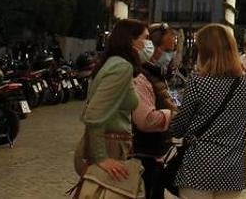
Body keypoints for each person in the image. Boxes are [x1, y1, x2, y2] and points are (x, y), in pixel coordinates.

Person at [170, 24, 246, 199]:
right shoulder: (244, 84)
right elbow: (244, 122)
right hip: (232, 170)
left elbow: (179, 127)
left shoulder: (198, 82)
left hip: (199, 167)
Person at [76, 19, 148, 184]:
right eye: (145, 38)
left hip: (113, 144)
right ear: (131, 39)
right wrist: (101, 157)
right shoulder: (121, 67)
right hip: (111, 145)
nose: (147, 44)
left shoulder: (113, 63)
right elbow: (95, 113)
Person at [133, 23, 178, 199]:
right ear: (154, 48)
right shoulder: (142, 76)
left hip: (158, 151)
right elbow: (146, 119)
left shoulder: (158, 74)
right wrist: (172, 114)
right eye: (167, 50)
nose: (170, 55)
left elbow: (168, 99)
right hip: (144, 152)